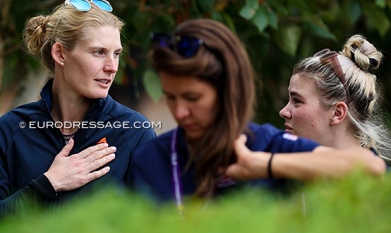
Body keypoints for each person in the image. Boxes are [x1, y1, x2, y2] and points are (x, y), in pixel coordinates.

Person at [0, 0, 156, 233]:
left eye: (116, 54)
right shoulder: (12, 129)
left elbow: (157, 231)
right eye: (98, 52)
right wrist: (47, 184)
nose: (112, 67)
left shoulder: (134, 131)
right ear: (60, 54)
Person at [127, 19, 385, 209]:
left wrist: (263, 166)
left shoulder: (267, 145)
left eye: (193, 98)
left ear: (228, 90)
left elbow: (370, 166)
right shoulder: (149, 159)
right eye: (170, 97)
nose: (180, 112)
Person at [279, 34, 391, 162]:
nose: (283, 112)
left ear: (337, 113)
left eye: (297, 101)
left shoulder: (382, 181)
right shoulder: (285, 174)